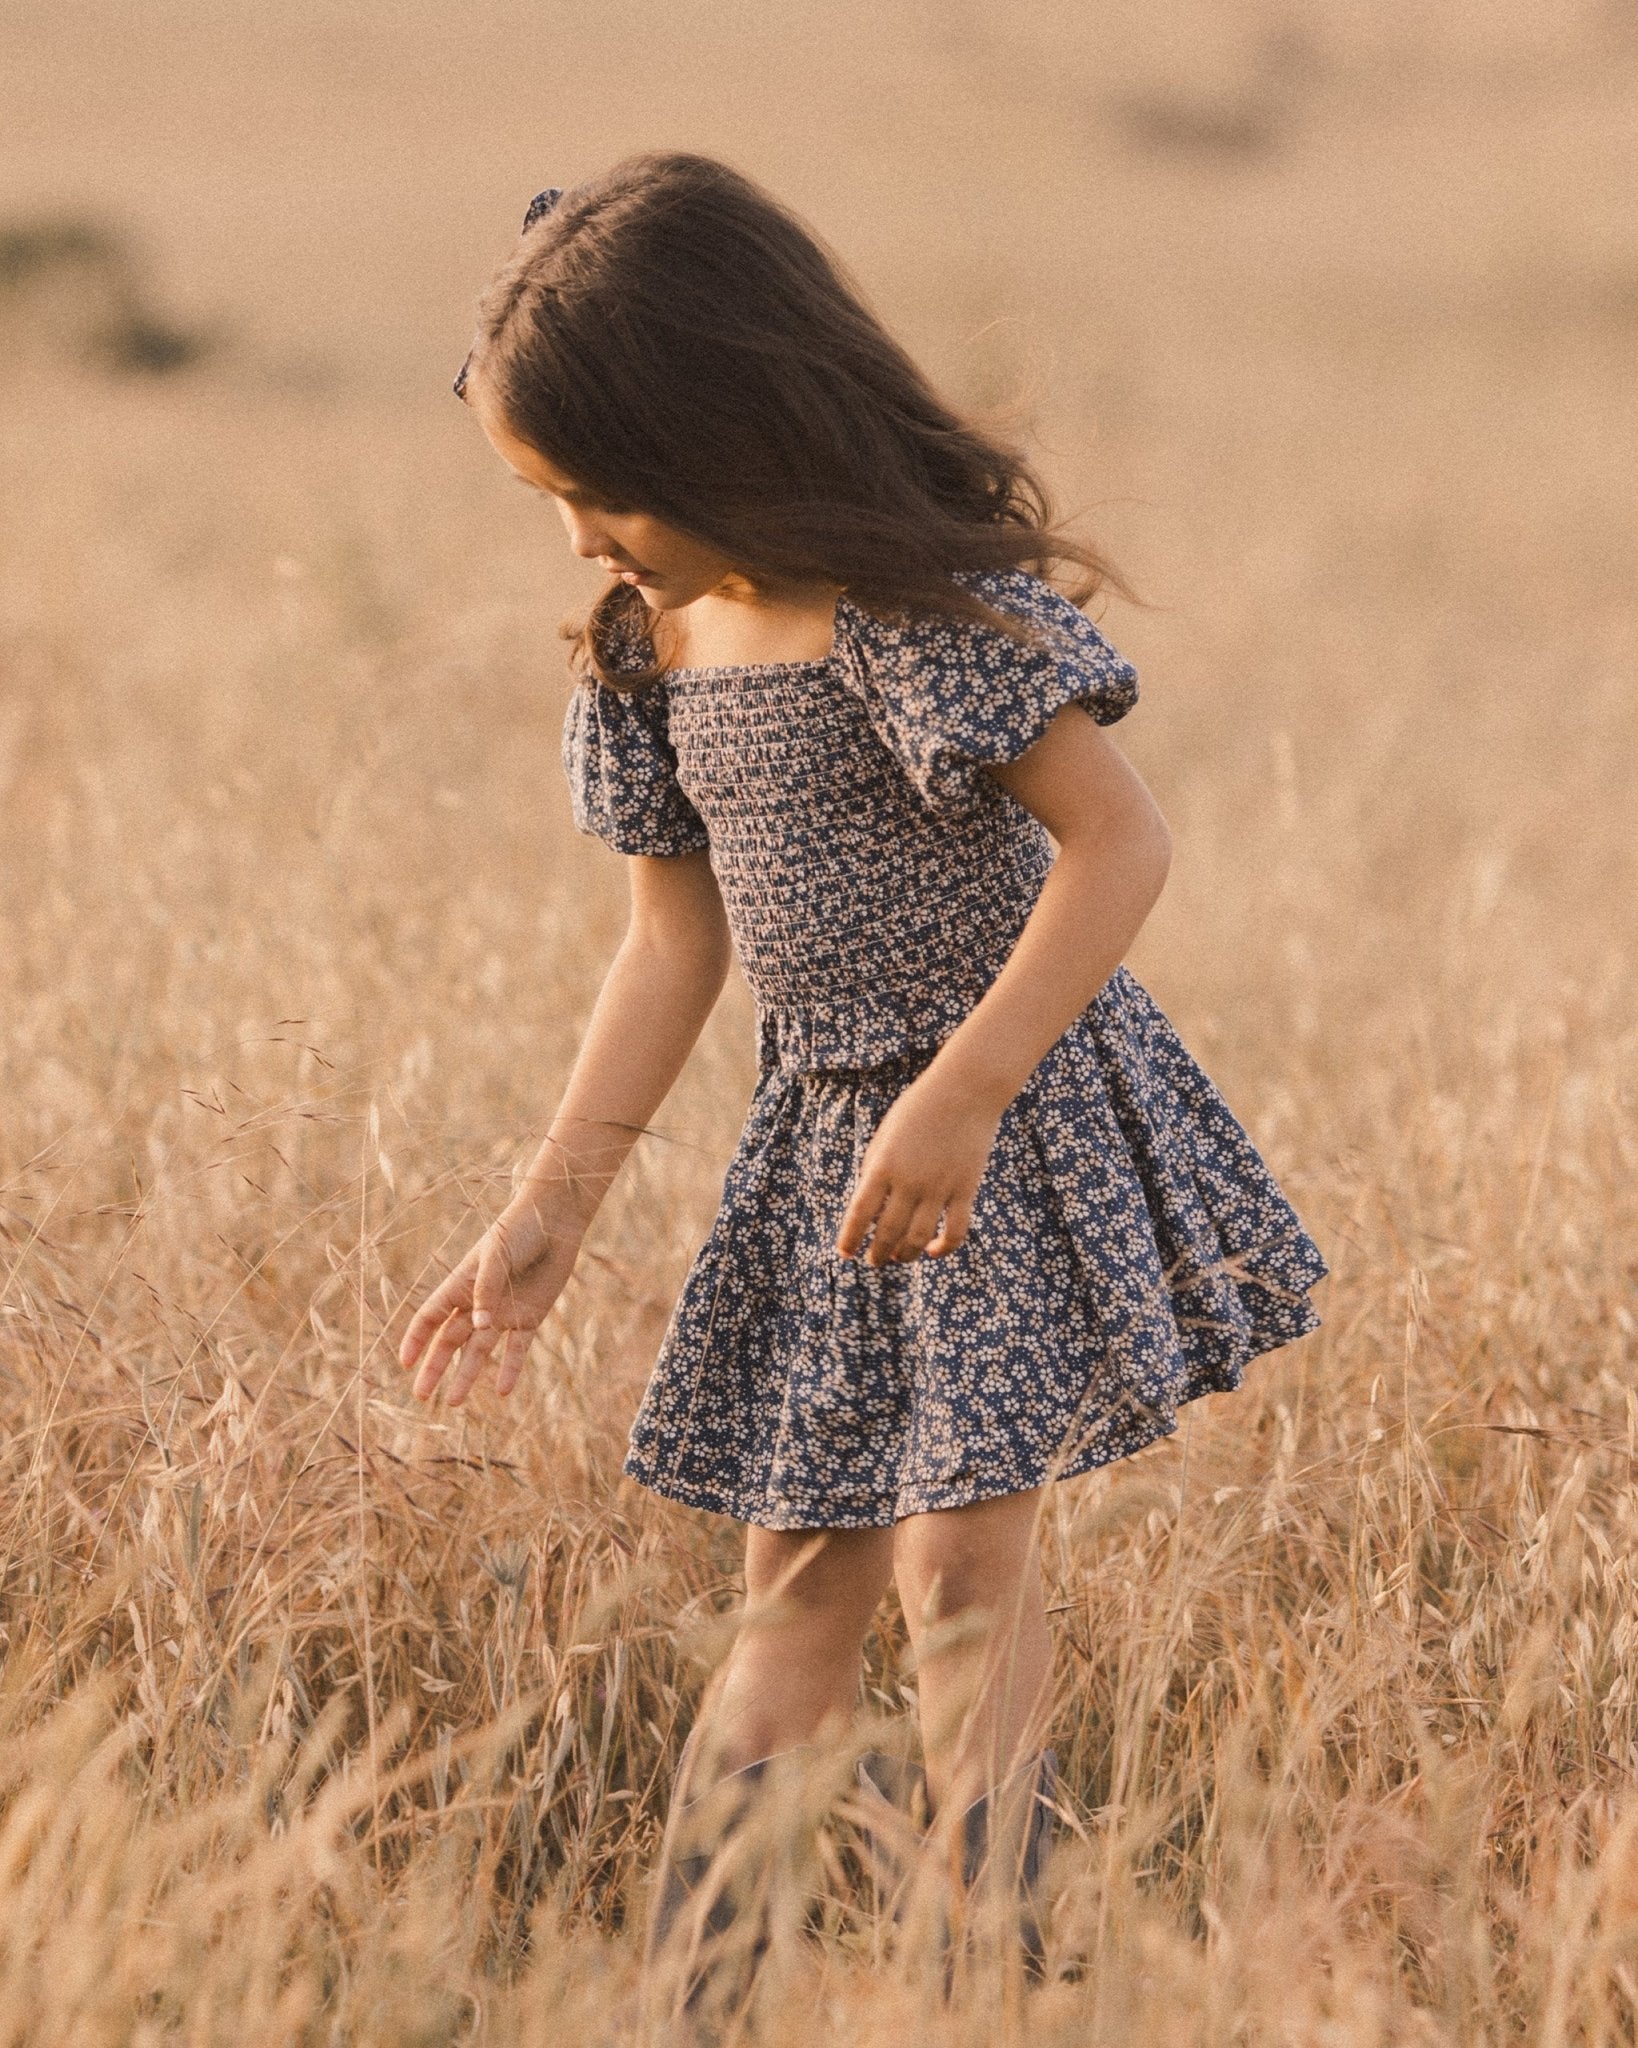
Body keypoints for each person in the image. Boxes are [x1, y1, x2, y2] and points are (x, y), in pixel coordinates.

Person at [400, 151, 1328, 2022]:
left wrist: (967, 1092)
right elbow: (672, 949)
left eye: (598, 492)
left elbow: (1115, 847)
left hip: (995, 1124)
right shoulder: (644, 649)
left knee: (964, 1569)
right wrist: (547, 1211)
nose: (578, 541)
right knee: (796, 1587)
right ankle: (702, 1993)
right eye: (549, 503)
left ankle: (1005, 1977)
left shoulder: (912, 619)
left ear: (717, 424)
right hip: (823, 1154)